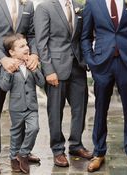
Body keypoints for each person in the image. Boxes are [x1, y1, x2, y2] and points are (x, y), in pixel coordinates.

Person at [81, 0, 127, 173]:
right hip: (102, 64)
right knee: (100, 109)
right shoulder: (92, 3)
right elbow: (85, 36)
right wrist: (90, 60)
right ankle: (99, 152)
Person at [0, 0, 40, 174]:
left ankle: (21, 153)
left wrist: (34, 54)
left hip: (23, 68)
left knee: (22, 109)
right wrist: (3, 59)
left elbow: (32, 34)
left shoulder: (27, 4)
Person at [34, 0, 91, 167]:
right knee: (55, 111)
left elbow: (80, 37)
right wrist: (48, 70)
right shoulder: (44, 7)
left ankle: (76, 144)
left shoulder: (78, 6)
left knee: (80, 107)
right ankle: (58, 150)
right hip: (56, 69)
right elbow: (41, 42)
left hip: (78, 67)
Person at [0, 34, 45, 174]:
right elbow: (4, 87)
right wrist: (9, 72)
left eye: (26, 45)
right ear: (12, 52)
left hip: (31, 106)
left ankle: (23, 154)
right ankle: (14, 158)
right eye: (22, 46)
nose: (27, 48)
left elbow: (42, 83)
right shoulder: (9, 66)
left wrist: (35, 69)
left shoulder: (31, 63)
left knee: (34, 128)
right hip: (16, 106)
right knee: (16, 133)